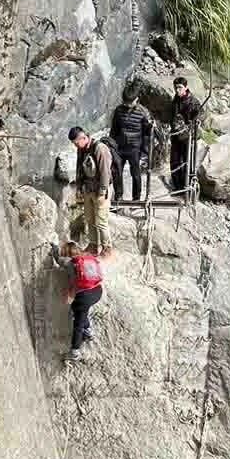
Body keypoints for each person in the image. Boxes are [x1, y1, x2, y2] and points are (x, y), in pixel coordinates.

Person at [52, 240, 102, 361]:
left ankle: (75, 351)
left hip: (84, 296)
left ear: (67, 253)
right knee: (82, 312)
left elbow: (58, 259)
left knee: (78, 322)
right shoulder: (85, 257)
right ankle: (88, 331)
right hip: (97, 291)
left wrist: (54, 248)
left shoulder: (69, 262)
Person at [69, 126, 113, 254]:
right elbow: (79, 169)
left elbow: (105, 171)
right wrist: (79, 188)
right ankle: (93, 245)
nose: (76, 146)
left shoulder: (100, 148)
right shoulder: (81, 150)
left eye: (76, 143)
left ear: (83, 137)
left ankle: (107, 249)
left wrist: (103, 191)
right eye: (74, 144)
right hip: (88, 189)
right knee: (89, 219)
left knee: (101, 221)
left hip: (100, 190)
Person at [108, 88, 152, 203]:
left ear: (136, 99)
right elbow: (114, 129)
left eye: (130, 102)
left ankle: (136, 199)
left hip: (134, 148)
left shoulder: (143, 113)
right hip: (120, 147)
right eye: (125, 101)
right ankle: (118, 197)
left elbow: (147, 133)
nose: (127, 104)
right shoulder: (118, 110)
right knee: (117, 172)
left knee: (136, 174)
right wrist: (111, 145)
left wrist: (145, 149)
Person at [169, 76, 201, 197]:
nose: (177, 90)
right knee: (175, 161)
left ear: (186, 87)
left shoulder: (193, 102)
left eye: (180, 88)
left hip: (188, 137)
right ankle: (177, 187)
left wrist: (190, 126)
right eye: (176, 88)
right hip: (176, 135)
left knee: (188, 161)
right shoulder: (175, 100)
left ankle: (187, 186)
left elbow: (198, 117)